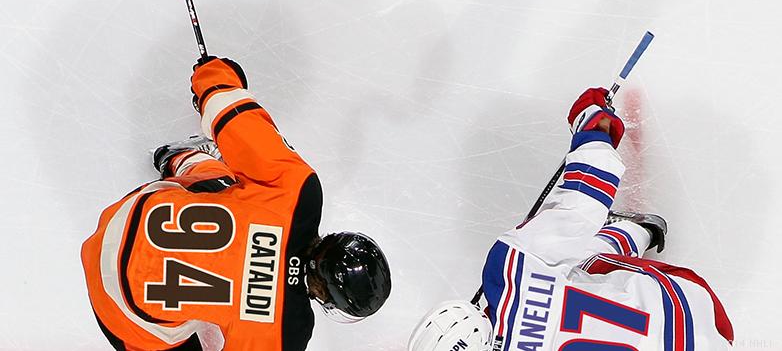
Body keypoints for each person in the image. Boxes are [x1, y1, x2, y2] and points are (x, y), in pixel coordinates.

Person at [81, 56, 391, 351]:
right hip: (115, 300)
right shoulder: (286, 332)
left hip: (128, 216)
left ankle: (183, 157)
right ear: (326, 296)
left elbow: (237, 119)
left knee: (228, 189)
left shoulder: (300, 195)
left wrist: (215, 78)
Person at [409, 88, 733, 351]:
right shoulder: (511, 269)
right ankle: (637, 230)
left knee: (569, 268)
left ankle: (635, 231)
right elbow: (584, 204)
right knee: (578, 262)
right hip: (694, 307)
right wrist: (592, 126)